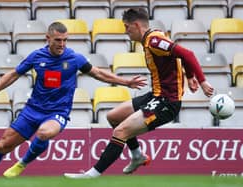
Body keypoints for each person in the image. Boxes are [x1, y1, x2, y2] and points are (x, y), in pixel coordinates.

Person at [0, 21, 147, 178]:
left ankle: (22, 164)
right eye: (58, 40)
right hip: (32, 109)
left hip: (57, 112)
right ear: (47, 38)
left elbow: (98, 73)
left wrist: (125, 82)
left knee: (44, 133)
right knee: (3, 146)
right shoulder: (36, 56)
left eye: (65, 40)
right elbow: (13, 74)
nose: (62, 44)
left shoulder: (74, 58)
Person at [64, 8, 214, 179]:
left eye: (127, 27)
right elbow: (177, 56)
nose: (126, 31)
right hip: (156, 95)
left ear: (136, 25)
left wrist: (201, 80)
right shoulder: (152, 38)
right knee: (114, 116)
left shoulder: (154, 41)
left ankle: (92, 174)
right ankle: (137, 155)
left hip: (166, 102)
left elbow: (188, 54)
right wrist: (189, 75)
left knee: (120, 132)